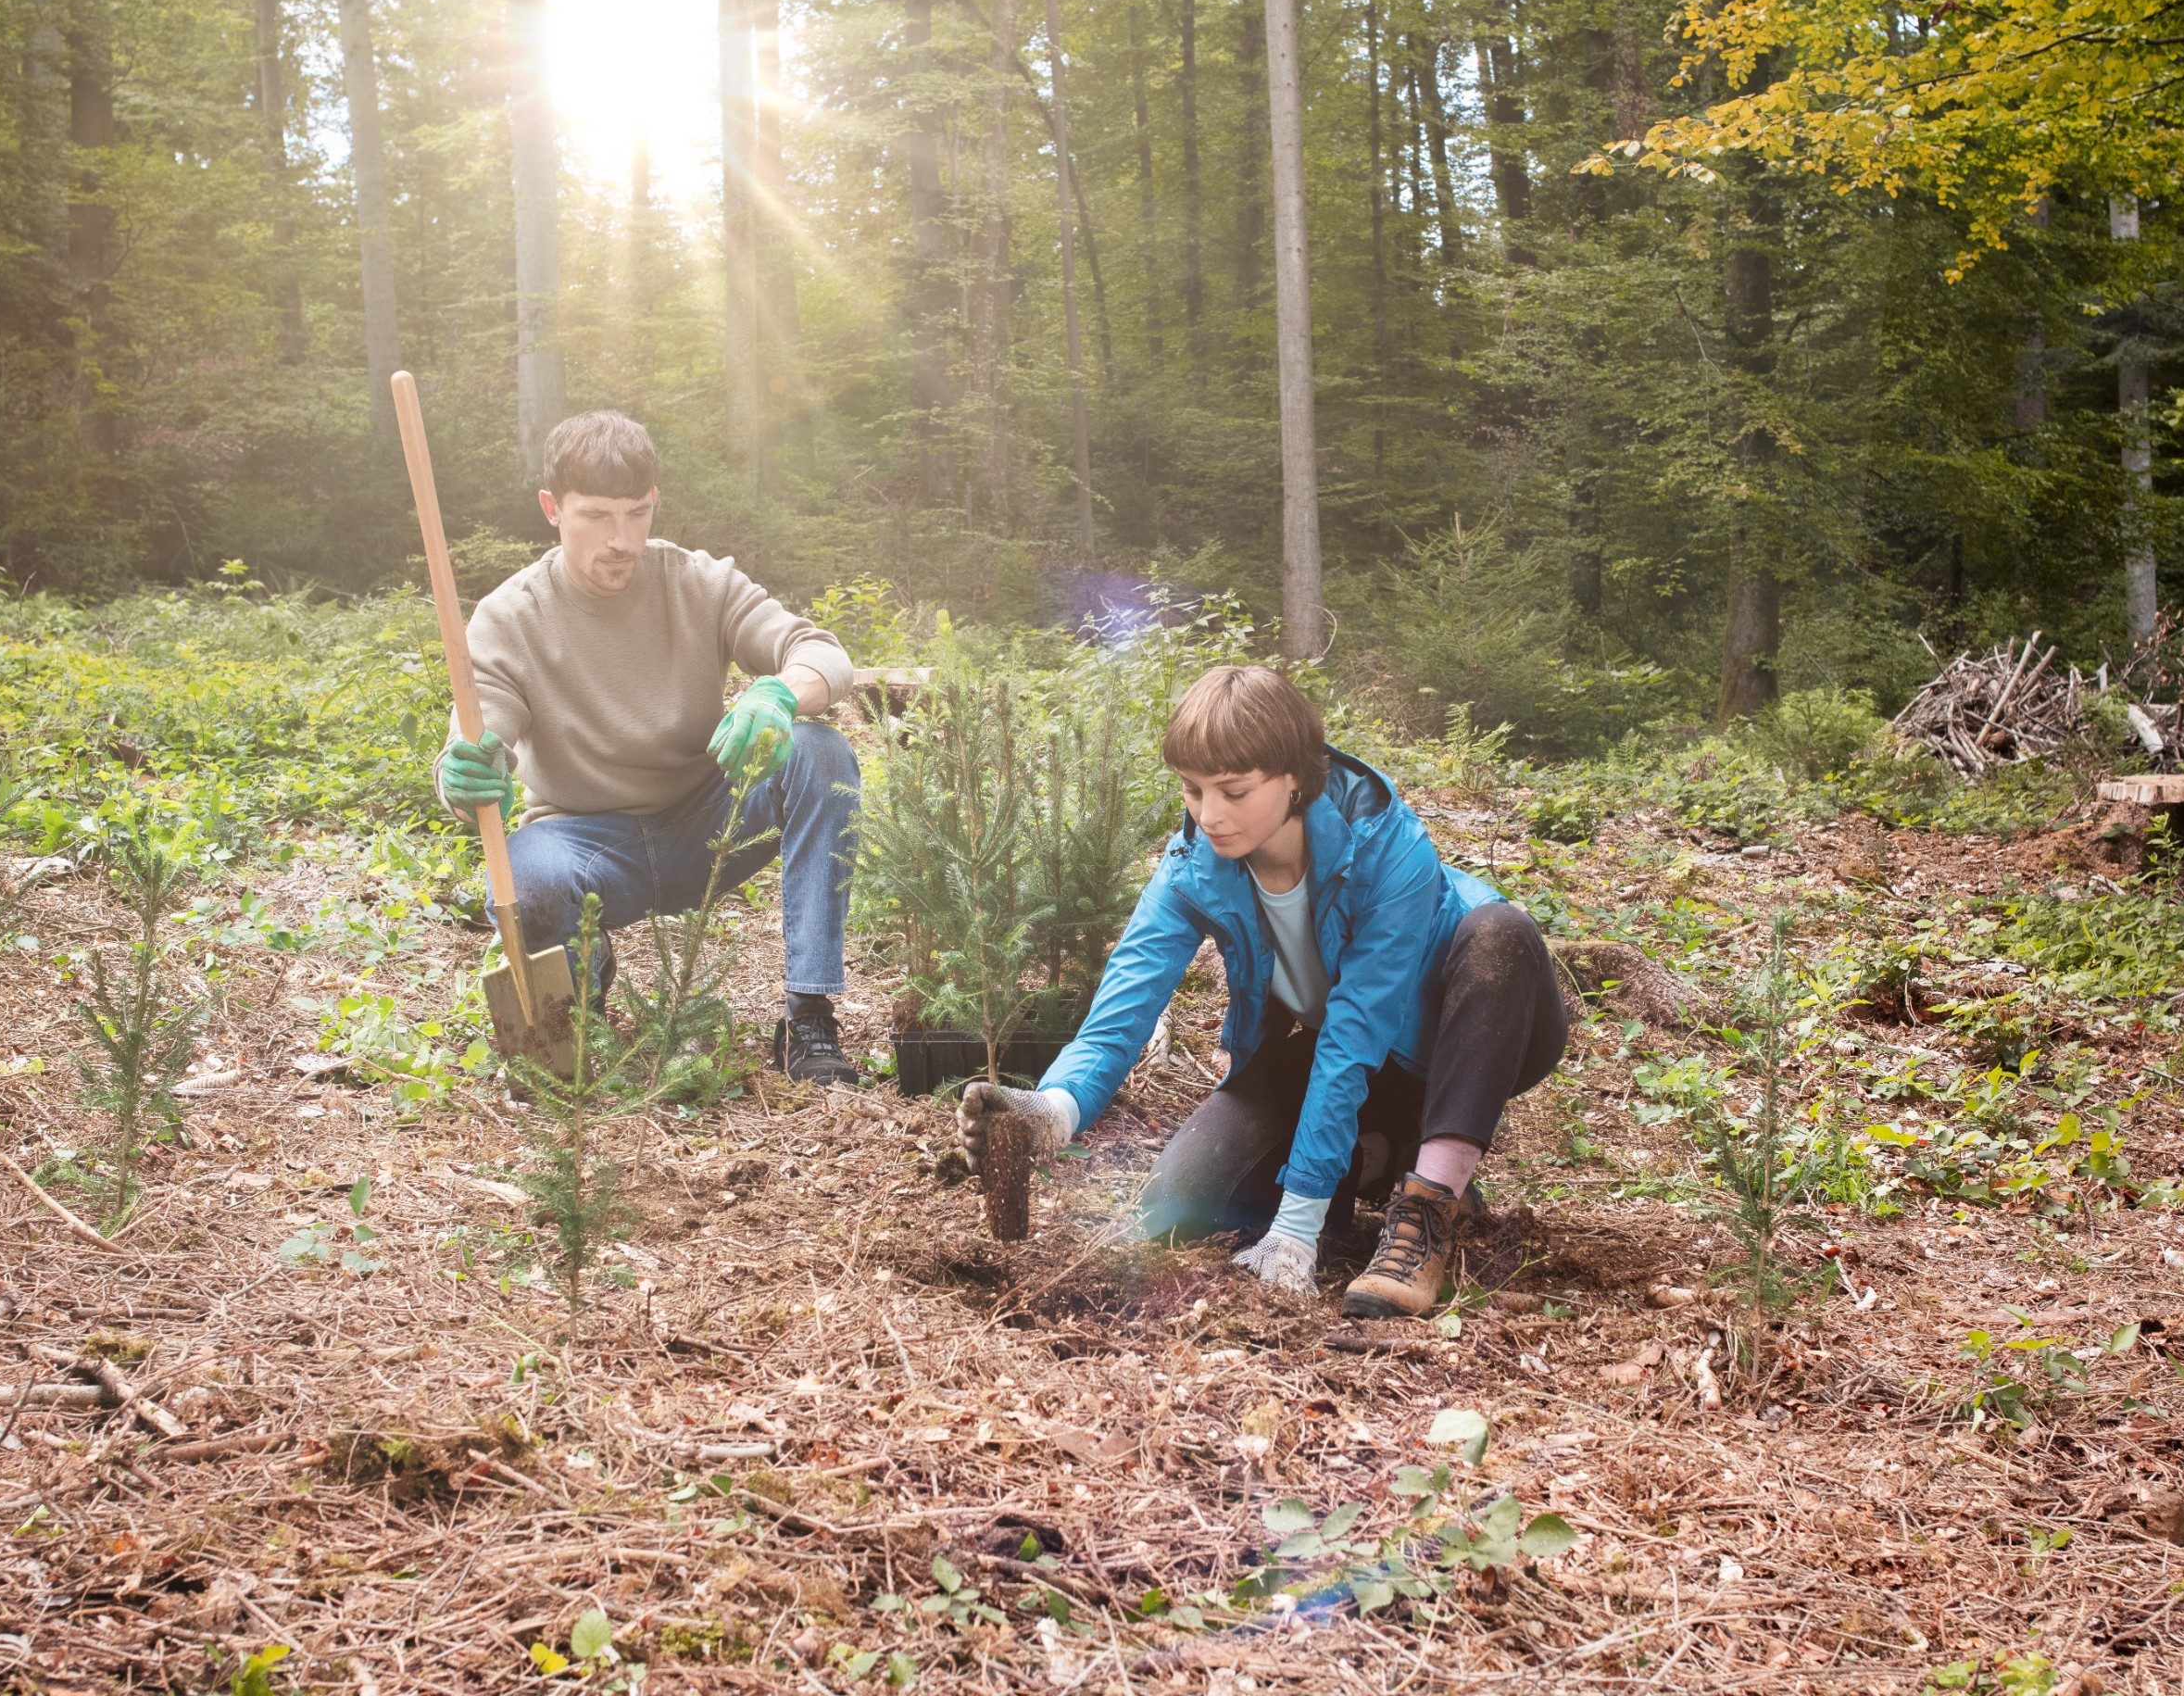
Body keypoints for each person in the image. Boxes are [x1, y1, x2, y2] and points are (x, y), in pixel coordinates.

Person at [959, 665, 1570, 1318]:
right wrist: (1053, 1109)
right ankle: (1377, 1157)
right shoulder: (1194, 865)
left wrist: (1297, 1226)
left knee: (1501, 934)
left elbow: (1356, 1032)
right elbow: (1123, 1004)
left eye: (1234, 791)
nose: (1210, 816)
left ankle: (1427, 1209)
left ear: (1297, 779)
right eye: (1193, 790)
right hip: (1336, 1051)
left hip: (1465, 1038)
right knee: (1182, 1202)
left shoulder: (1389, 847)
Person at [433, 410, 866, 1086]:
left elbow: (821, 653)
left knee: (822, 754)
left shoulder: (700, 582)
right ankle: (582, 980)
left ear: (654, 503)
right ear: (552, 509)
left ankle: (809, 1015)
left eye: (636, 513)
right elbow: (482, 728)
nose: (621, 539)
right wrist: (464, 766)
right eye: (597, 516)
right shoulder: (510, 616)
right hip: (584, 842)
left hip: (707, 825)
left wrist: (778, 693)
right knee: (526, 875)